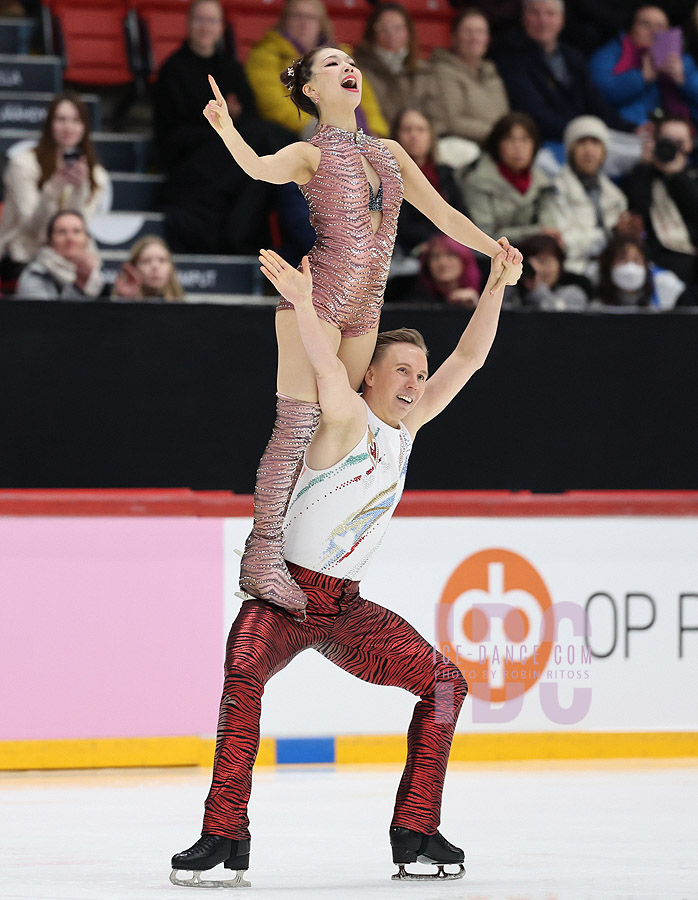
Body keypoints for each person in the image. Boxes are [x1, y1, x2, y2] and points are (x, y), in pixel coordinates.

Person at [170, 245, 522, 888]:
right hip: (283, 600)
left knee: (445, 685)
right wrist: (305, 304)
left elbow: (469, 358)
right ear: (372, 378)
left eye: (420, 373)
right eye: (403, 371)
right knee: (242, 678)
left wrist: (496, 286)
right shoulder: (346, 418)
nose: (416, 383)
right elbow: (328, 370)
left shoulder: (406, 430)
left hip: (345, 608)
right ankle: (224, 837)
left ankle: (415, 830)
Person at [202, 45, 522, 616]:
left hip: (367, 309)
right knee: (298, 420)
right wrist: (227, 129)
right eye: (331, 64)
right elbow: (258, 167)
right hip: (318, 295)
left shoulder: (390, 152)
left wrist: (494, 252)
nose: (348, 67)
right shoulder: (308, 152)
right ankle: (261, 553)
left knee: (340, 429)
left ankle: (303, 544)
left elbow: (444, 215)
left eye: (350, 61)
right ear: (309, 91)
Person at [154, 0, 294, 254]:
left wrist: (230, 121)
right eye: (200, 19)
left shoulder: (231, 69)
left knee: (270, 141)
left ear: (222, 28)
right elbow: (170, 135)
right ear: (188, 24)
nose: (205, 27)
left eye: (212, 21)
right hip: (193, 158)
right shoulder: (172, 70)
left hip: (231, 153)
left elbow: (250, 116)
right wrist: (219, 122)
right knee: (268, 141)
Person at [0, 92, 109, 280]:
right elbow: (34, 228)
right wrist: (52, 190)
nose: (68, 127)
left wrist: (79, 189)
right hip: (23, 253)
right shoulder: (23, 165)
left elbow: (76, 228)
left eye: (76, 120)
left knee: (93, 276)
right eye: (61, 119)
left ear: (85, 127)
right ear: (49, 124)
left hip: (67, 259)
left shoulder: (97, 176)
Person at [493, 0, 631, 147]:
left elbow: (595, 102)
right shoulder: (511, 59)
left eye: (550, 14)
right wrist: (583, 131)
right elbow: (535, 115)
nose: (543, 20)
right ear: (523, 18)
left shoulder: (572, 56)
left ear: (561, 19)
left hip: (588, 136)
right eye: (535, 13)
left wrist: (630, 128)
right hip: (549, 144)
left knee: (644, 148)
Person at [245, 0, 388, 137]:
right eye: (297, 16)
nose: (304, 23)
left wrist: (375, 130)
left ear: (321, 23)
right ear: (284, 20)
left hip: (353, 132)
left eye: (311, 17)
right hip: (299, 135)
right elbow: (273, 104)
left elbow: (366, 99)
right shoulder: (266, 54)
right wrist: (316, 127)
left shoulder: (340, 55)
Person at [590, 5, 698, 129]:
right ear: (631, 29)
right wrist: (641, 77)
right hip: (625, 132)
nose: (654, 31)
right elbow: (597, 94)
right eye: (646, 24)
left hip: (680, 133)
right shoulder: (609, 54)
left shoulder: (682, 60)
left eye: (661, 26)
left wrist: (684, 80)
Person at [622, 115, 698, 286]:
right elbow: (637, 211)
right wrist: (644, 167)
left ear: (690, 145)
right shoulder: (639, 176)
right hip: (657, 255)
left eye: (679, 143)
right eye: (667, 142)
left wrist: (677, 176)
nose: (672, 148)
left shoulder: (692, 177)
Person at [462, 112, 558, 244]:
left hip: (533, 252)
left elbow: (550, 228)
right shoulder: (478, 180)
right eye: (509, 139)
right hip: (490, 256)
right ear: (497, 144)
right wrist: (535, 232)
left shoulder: (543, 182)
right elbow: (484, 236)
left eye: (525, 139)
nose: (518, 147)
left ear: (535, 145)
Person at [550, 116, 630, 275]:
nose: (589, 150)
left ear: (604, 151)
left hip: (613, 268)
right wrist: (610, 234)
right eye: (581, 142)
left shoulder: (615, 194)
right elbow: (563, 244)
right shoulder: (554, 190)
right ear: (570, 149)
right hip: (573, 271)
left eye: (595, 142)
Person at [392, 108, 469, 256]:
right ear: (396, 135)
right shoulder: (390, 175)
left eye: (420, 130)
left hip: (452, 246)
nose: (414, 136)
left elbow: (463, 214)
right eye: (407, 130)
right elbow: (402, 227)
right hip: (411, 250)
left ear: (431, 136)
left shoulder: (445, 173)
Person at [430, 8, 510, 146]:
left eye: (480, 32)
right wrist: (500, 135)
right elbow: (452, 122)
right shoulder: (441, 71)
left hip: (497, 146)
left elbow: (505, 116)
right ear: (453, 37)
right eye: (468, 31)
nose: (474, 38)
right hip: (460, 148)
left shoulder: (492, 72)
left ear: (487, 39)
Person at [353, 2, 437, 131]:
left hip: (419, 138)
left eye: (398, 28)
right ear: (372, 32)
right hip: (380, 138)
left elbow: (435, 114)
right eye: (383, 28)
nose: (391, 33)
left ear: (409, 32)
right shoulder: (360, 69)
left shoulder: (423, 70)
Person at [15, 209, 105, 300]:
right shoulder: (35, 276)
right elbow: (44, 313)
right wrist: (79, 285)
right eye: (62, 232)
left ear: (87, 239)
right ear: (49, 241)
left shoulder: (97, 275)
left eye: (77, 231)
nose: (70, 238)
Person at [387, 233, 482, 305]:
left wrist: (476, 306)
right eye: (435, 257)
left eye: (450, 255)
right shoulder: (408, 293)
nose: (442, 263)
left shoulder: (485, 289)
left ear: (464, 260)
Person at [596, 234, 687, 307]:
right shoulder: (596, 285)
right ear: (609, 265)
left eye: (636, 260)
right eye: (622, 260)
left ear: (646, 264)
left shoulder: (666, 283)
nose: (630, 267)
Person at [514, 233, 591, 309]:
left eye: (544, 262)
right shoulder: (514, 293)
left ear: (560, 264)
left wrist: (538, 288)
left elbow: (555, 315)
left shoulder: (573, 294)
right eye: (530, 265)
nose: (538, 270)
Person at [112, 236, 185, 302]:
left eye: (162, 260)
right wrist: (125, 299)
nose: (155, 266)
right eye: (146, 261)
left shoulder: (183, 309)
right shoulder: (123, 300)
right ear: (133, 268)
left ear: (171, 267)